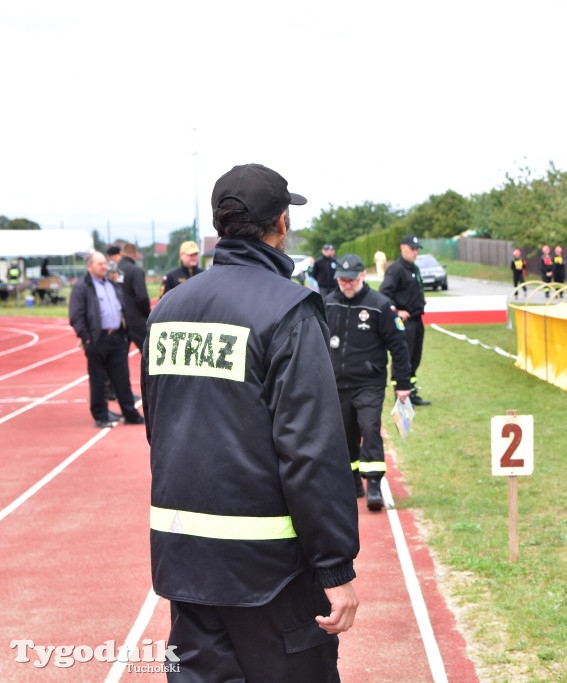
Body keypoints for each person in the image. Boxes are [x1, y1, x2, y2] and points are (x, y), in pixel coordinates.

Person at [144, 163, 359, 680]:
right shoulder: (289, 311)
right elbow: (311, 450)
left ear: (221, 227)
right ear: (281, 223)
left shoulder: (167, 310)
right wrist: (334, 566)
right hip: (271, 574)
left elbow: (159, 427)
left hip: (184, 562)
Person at [324, 254, 412, 512]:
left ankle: (374, 483)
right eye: (342, 279)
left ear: (362, 276)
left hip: (368, 383)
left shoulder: (381, 306)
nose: (346, 284)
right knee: (344, 434)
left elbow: (398, 346)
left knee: (369, 427)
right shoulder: (327, 304)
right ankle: (352, 481)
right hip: (337, 384)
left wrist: (402, 383)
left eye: (351, 279)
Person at [68, 251, 145, 428]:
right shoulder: (82, 287)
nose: (105, 266)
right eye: (100, 264)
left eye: (105, 263)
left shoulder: (112, 285)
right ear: (89, 267)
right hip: (97, 340)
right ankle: (101, 415)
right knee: (98, 380)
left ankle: (130, 414)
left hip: (117, 338)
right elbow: (76, 316)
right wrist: (87, 338)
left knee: (122, 379)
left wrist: (124, 334)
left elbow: (121, 310)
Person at [380, 235, 430, 406]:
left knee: (415, 358)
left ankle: (411, 391)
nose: (415, 252)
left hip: (417, 319)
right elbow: (384, 294)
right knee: (404, 358)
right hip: (405, 322)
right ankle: (399, 395)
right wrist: (397, 311)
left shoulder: (414, 268)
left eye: (417, 249)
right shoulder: (396, 269)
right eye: (412, 249)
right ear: (403, 248)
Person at [115, 243, 151, 355]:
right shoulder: (135, 271)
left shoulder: (113, 270)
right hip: (135, 318)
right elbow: (142, 297)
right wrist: (147, 314)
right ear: (136, 254)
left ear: (121, 253)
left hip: (117, 319)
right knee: (149, 353)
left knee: (118, 358)